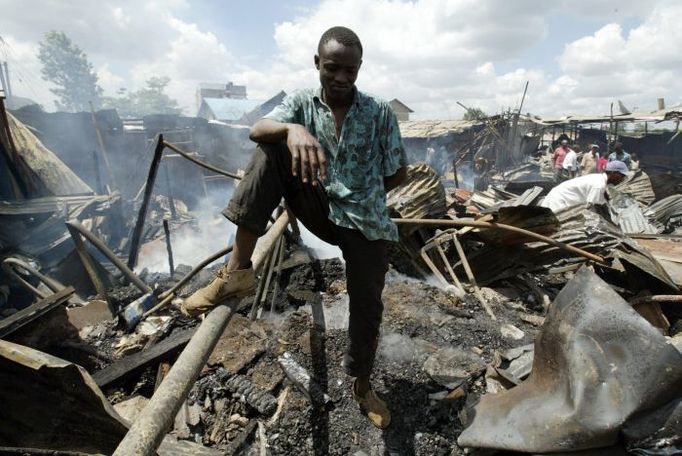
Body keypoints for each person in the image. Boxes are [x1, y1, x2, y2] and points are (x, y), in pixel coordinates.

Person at [182, 26, 406, 429]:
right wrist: (292, 129)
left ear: (359, 69)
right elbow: (257, 129)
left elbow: (397, 171)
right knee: (270, 150)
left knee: (367, 306)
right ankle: (236, 274)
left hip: (365, 220)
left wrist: (364, 190)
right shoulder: (302, 102)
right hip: (317, 205)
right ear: (317, 63)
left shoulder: (379, 111)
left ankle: (362, 384)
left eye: (350, 71)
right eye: (333, 68)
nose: (341, 78)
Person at [540, 160, 629, 213]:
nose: (622, 179)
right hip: (558, 201)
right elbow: (591, 210)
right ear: (613, 173)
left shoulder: (599, 180)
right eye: (621, 176)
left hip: (559, 197)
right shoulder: (598, 185)